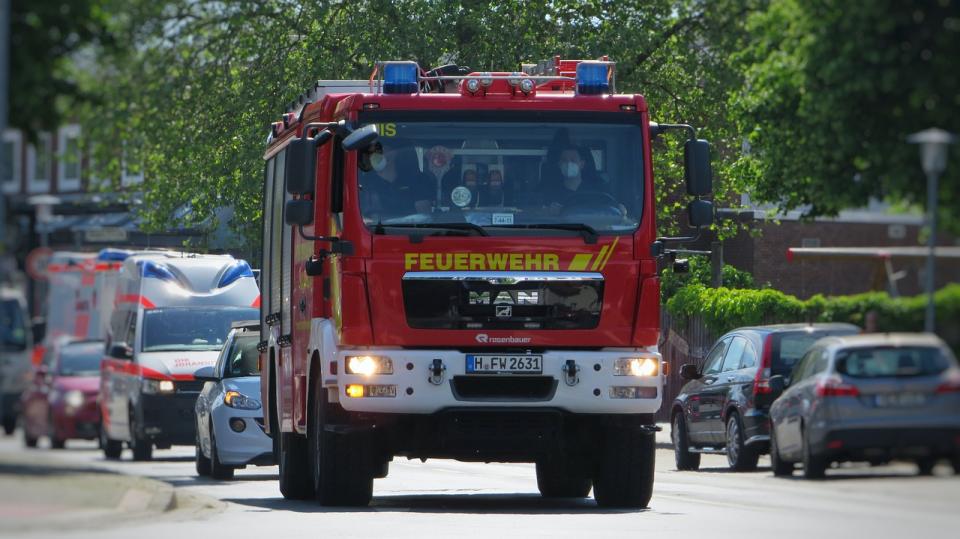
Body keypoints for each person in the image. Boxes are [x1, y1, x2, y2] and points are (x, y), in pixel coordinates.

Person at [359, 142, 433, 217]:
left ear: (394, 154)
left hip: (409, 228)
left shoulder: (419, 180)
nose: (376, 154)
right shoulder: (366, 181)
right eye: (374, 151)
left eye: (382, 150)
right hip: (375, 227)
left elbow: (424, 215)